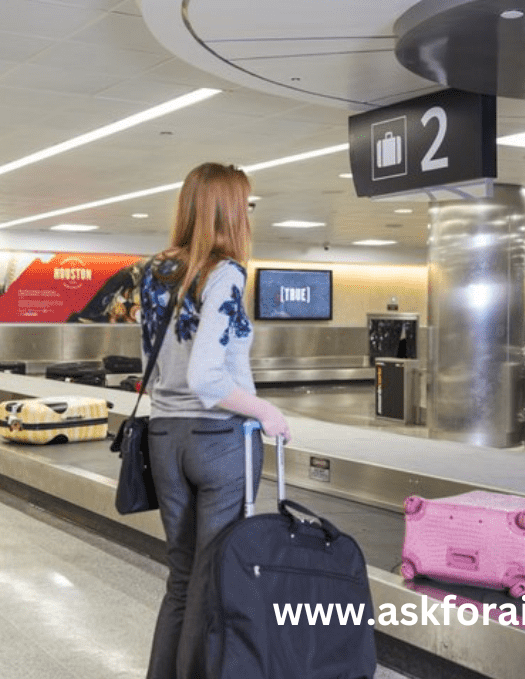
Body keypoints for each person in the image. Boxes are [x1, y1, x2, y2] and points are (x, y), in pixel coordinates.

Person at [140, 163, 292, 679]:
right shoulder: (224, 272)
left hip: (165, 437)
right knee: (213, 579)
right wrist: (267, 411)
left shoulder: (155, 270)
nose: (250, 213)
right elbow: (208, 377)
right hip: (218, 441)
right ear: (227, 209)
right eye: (245, 204)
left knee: (182, 579)